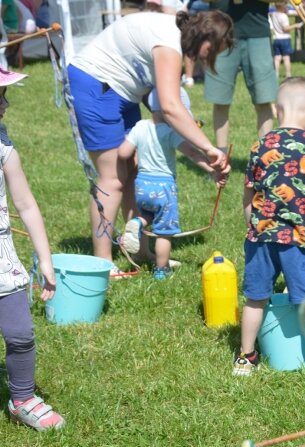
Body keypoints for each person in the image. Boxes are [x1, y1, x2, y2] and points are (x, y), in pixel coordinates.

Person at [67, 10, 232, 276]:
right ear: (205, 37)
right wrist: (210, 148)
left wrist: (205, 161)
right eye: (211, 50)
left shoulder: (171, 42)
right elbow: (169, 107)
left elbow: (170, 124)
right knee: (112, 178)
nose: (207, 58)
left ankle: (141, 249)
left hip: (122, 92)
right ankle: (103, 262)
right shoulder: (167, 42)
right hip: (96, 83)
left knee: (133, 169)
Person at [234, 77, 305, 382]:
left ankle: (246, 356)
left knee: (256, 298)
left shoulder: (260, 145)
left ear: (277, 109)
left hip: (261, 236)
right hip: (300, 239)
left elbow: (248, 197)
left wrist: (252, 228)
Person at [0, 67, 64, 431]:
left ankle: (22, 397)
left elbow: (26, 204)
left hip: (2, 258)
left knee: (21, 334)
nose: (5, 103)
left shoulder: (4, 147)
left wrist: (46, 260)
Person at [117, 88, 228, 280]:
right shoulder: (170, 133)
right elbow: (193, 154)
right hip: (164, 187)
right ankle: (161, 270)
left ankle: (137, 222)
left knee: (148, 214)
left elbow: (123, 153)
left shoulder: (140, 126)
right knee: (163, 232)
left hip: (141, 185)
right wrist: (213, 170)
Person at [205, 0, 277, 155]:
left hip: (258, 33)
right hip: (221, 34)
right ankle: (221, 158)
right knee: (220, 101)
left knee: (264, 100)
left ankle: (264, 158)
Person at [270, 1, 302, 80]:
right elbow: (285, 28)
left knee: (277, 58)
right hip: (285, 39)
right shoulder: (284, 16)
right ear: (283, 6)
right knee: (286, 58)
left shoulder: (273, 14)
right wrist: (295, 26)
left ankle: (276, 74)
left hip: (276, 38)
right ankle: (288, 74)